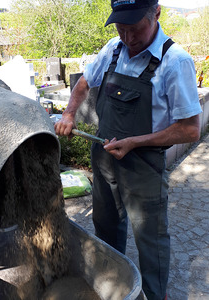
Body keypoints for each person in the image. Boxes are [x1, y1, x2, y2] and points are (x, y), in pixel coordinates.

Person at [54, 1, 202, 299]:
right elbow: (84, 82)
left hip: (143, 164)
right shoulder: (113, 48)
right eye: (121, 29)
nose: (128, 38)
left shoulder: (175, 61)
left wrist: (136, 142)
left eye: (135, 29)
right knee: (105, 226)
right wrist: (69, 114)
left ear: (156, 13)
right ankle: (114, 285)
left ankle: (152, 294)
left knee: (151, 239)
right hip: (104, 157)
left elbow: (190, 129)